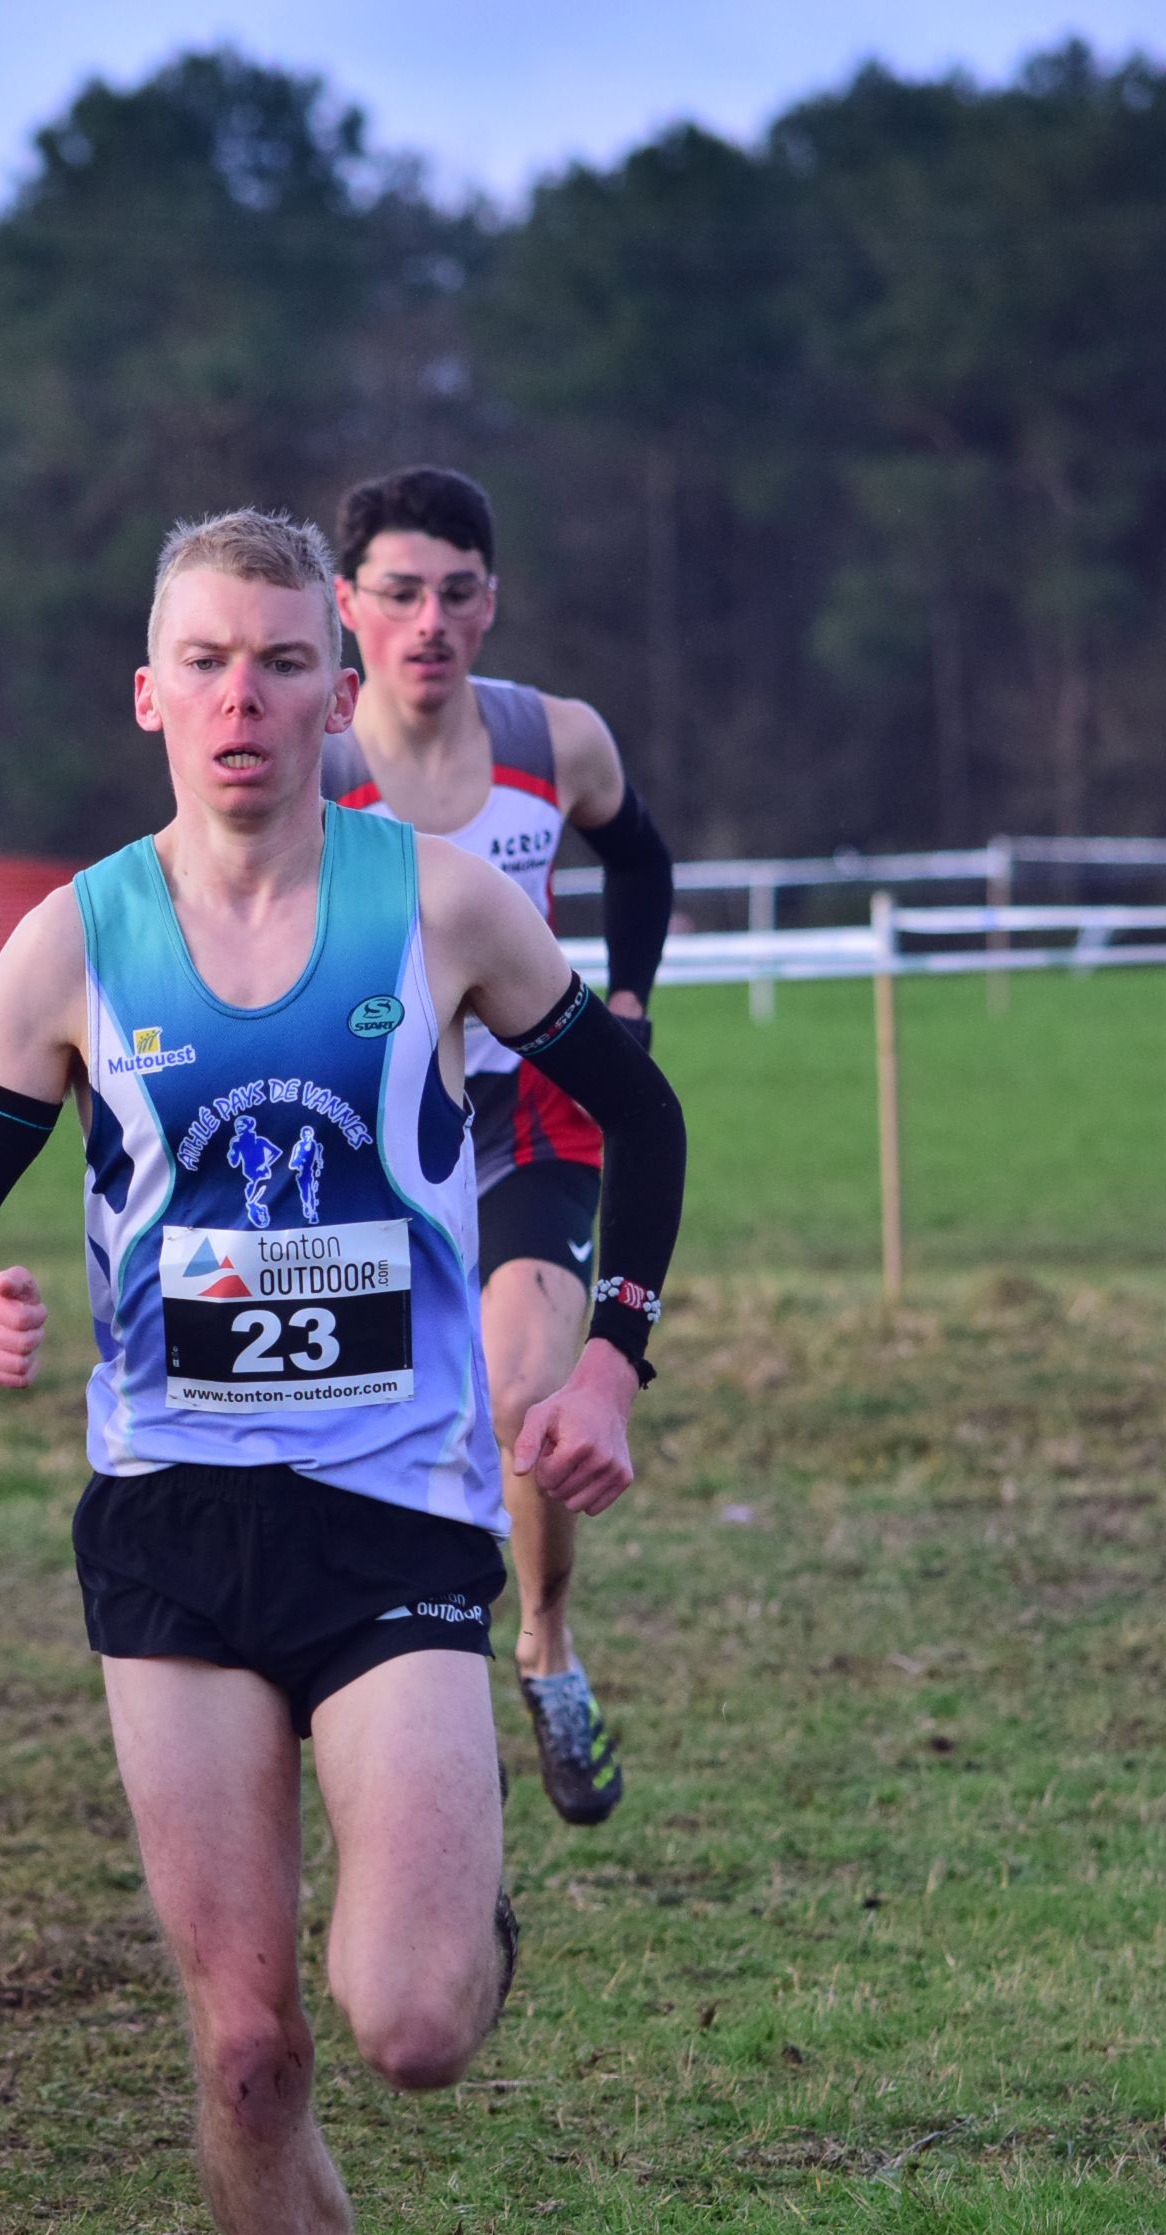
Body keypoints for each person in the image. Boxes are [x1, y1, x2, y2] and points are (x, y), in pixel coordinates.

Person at [0, 511, 682, 2235]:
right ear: (147, 694)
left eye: (275, 661)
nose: (240, 698)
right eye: (204, 663)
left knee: (404, 2024)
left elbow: (642, 1116)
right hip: (169, 1532)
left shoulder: (436, 906)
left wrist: (609, 1363)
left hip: (392, 1506)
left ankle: (466, 1912)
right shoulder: (71, 942)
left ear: (332, 695)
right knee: (246, 2047)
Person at [324, 466, 676, 1828]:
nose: (430, 622)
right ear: (349, 605)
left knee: (526, 1394)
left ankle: (544, 1645)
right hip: (366, 1136)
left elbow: (637, 856)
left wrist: (628, 1000)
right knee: (373, 1417)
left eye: (456, 593)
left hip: (529, 1118)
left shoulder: (555, 738)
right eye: (401, 593)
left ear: (490, 603)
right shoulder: (314, 764)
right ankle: (379, 1669)